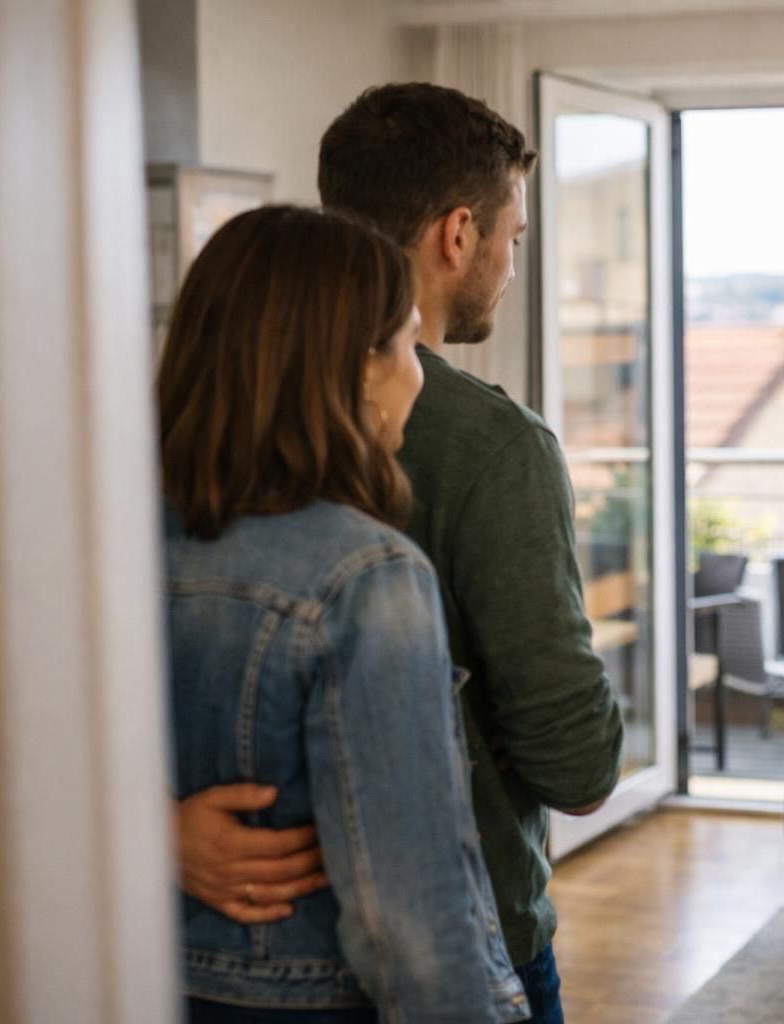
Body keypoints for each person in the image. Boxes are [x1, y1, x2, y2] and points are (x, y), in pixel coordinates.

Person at [174, 85, 624, 1024]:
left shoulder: (131, 498)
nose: (511, 263)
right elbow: (564, 779)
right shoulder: (404, 536)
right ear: (459, 233)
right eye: (516, 235)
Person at [158, 205, 526, 1022]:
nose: (418, 374)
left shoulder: (96, 550)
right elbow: (411, 925)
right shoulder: (363, 575)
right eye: (406, 342)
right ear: (359, 368)